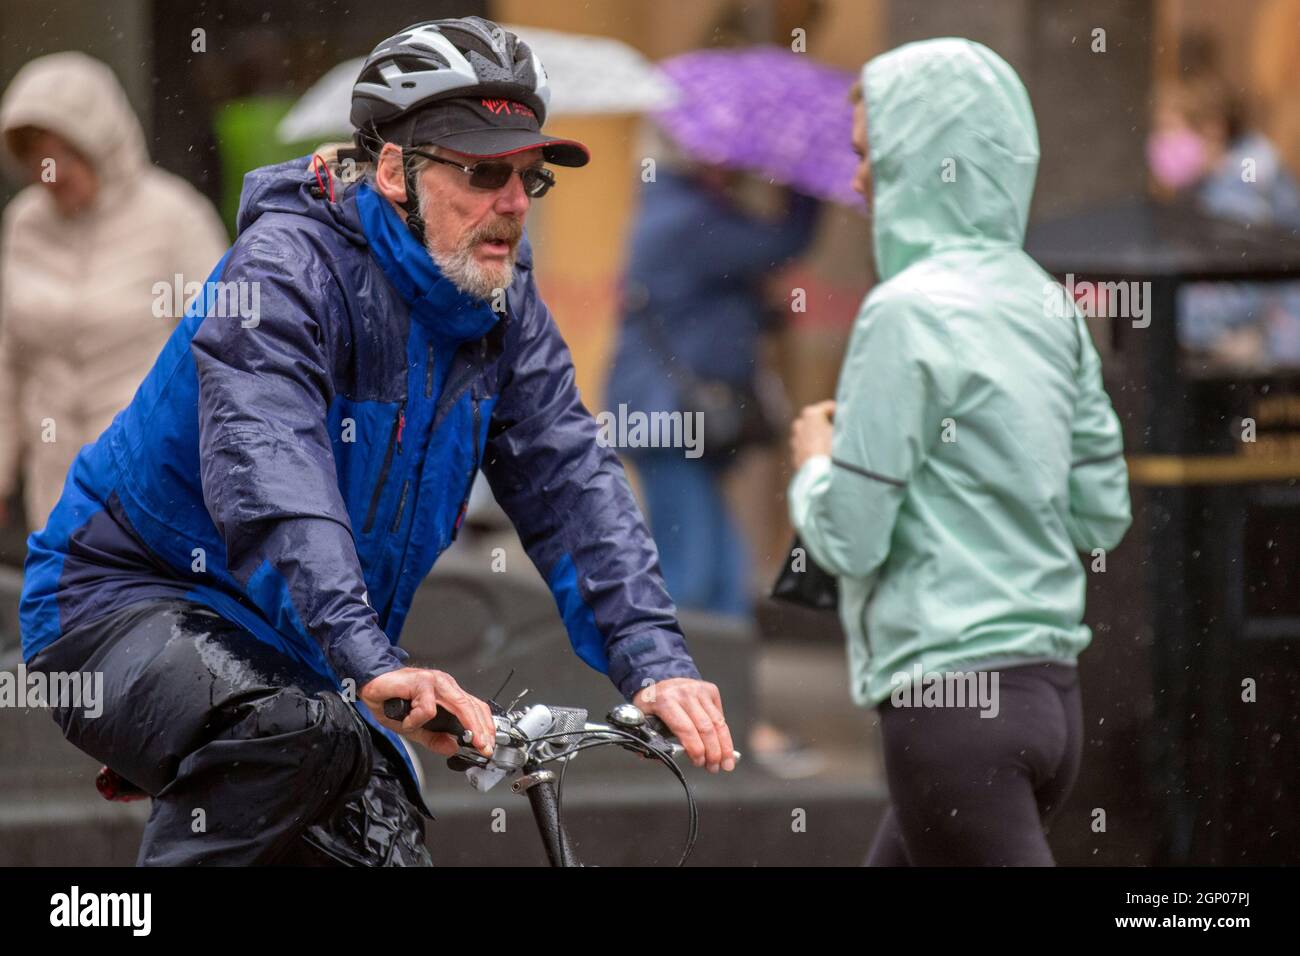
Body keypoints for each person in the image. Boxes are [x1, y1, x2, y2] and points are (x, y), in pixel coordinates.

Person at [20, 17, 734, 867]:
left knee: (385, 840)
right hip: (121, 602)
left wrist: (654, 658)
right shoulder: (285, 271)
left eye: (527, 177)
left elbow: (569, 478)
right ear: (395, 170)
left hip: (309, 650)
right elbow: (273, 473)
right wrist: (367, 658)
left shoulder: (500, 302)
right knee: (297, 731)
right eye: (481, 172)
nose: (512, 202)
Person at [787, 38, 1131, 865]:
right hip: (1050, 701)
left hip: (947, 712)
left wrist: (813, 462)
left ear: (925, 156)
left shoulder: (902, 313)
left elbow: (849, 537)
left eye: (873, 155)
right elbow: (1103, 513)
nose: (859, 179)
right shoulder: (1048, 304)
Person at [0, 52, 229, 534]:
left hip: (157, 493)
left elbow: (225, 350)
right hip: (55, 495)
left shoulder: (175, 217)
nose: (52, 172)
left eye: (65, 152)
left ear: (102, 143)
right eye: (37, 158)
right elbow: (7, 360)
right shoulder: (23, 224)